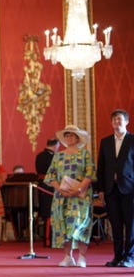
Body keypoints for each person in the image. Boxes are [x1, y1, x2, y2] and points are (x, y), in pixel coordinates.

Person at [44, 125, 95, 267]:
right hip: (62, 196)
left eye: (72, 135)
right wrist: (59, 188)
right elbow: (50, 176)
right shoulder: (58, 155)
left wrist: (78, 189)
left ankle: (82, 257)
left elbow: (90, 174)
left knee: (81, 224)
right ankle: (68, 257)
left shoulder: (85, 154)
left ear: (78, 138)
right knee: (64, 225)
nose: (69, 137)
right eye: (67, 135)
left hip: (81, 196)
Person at [97, 109, 134, 267]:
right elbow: (101, 167)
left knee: (131, 225)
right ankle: (117, 257)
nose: (116, 123)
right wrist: (101, 189)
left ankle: (130, 257)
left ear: (126, 122)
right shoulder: (105, 142)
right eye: (114, 120)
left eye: (119, 120)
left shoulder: (132, 140)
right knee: (116, 225)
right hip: (111, 190)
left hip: (130, 189)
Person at [35, 138, 59, 246]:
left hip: (50, 186)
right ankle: (48, 239)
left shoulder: (40, 155)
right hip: (48, 187)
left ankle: (53, 239)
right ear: (56, 145)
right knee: (49, 214)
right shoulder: (48, 157)